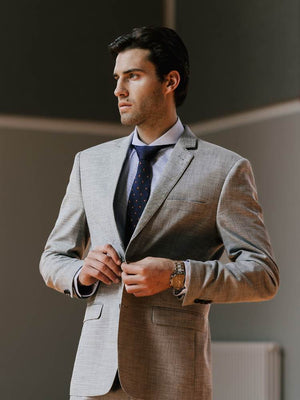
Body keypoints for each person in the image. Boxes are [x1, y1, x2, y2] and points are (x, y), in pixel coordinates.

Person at [40, 26, 279, 400]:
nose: (118, 90)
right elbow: (53, 258)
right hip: (95, 377)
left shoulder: (225, 169)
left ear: (170, 81)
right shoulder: (90, 164)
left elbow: (262, 276)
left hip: (173, 375)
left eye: (132, 76)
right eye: (117, 78)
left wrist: (177, 274)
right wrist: (81, 272)